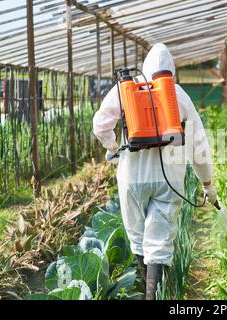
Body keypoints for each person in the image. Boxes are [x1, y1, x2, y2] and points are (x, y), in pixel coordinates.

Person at [93, 43, 217, 300]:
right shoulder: (178, 95)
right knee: (159, 242)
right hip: (169, 180)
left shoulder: (126, 89)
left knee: (138, 237)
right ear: (170, 71)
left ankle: (146, 287)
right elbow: (199, 146)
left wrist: (113, 146)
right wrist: (207, 184)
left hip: (132, 178)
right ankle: (155, 295)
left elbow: (100, 125)